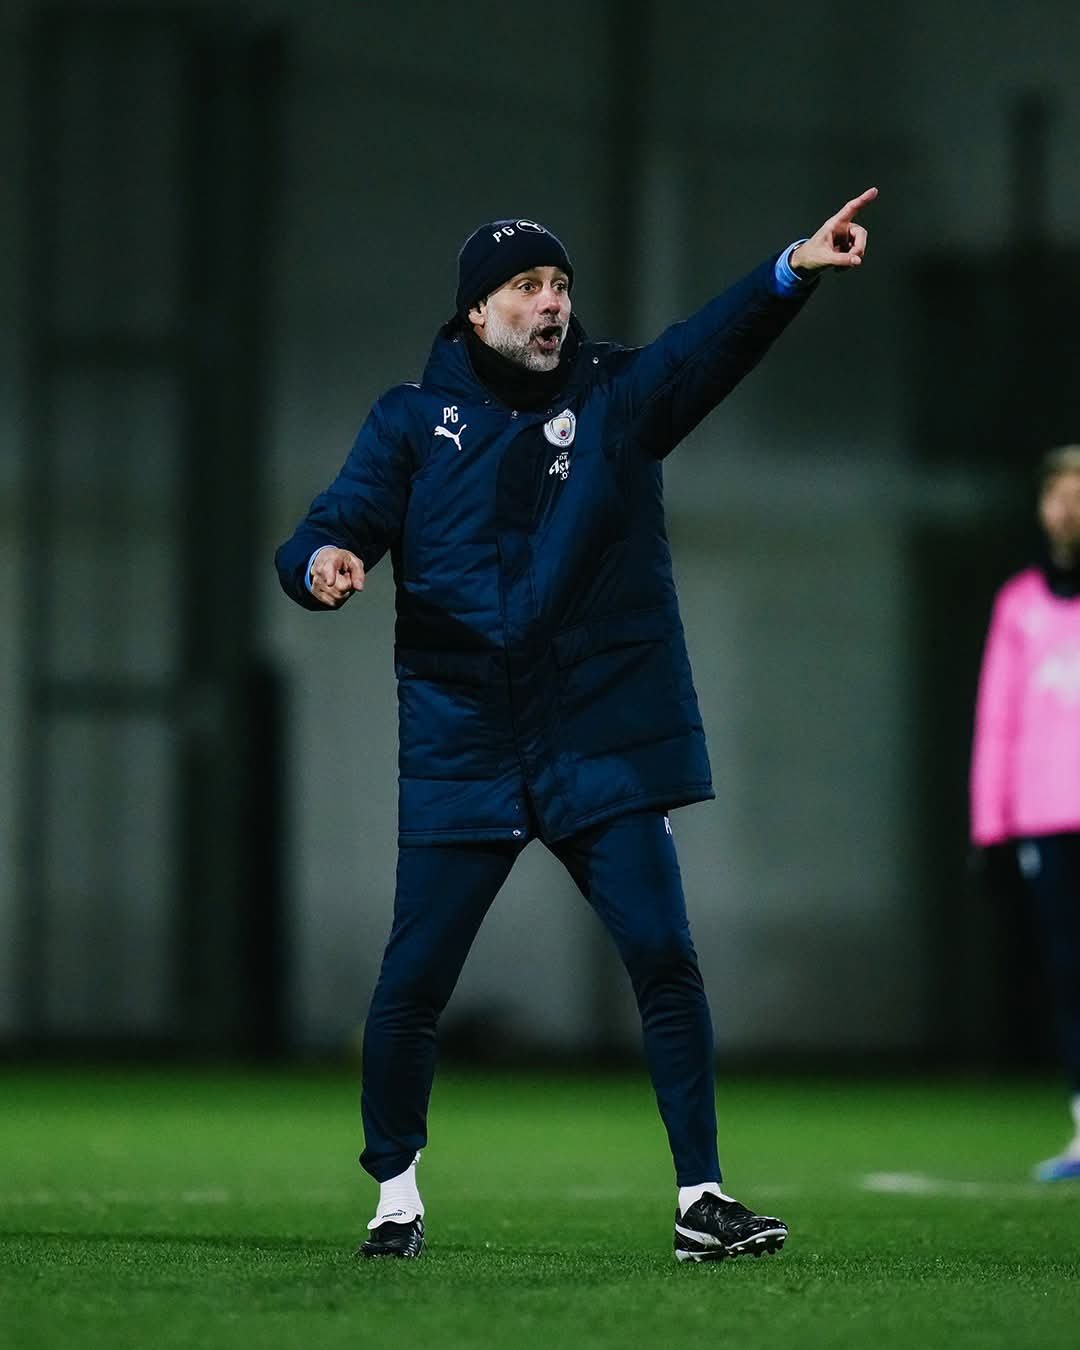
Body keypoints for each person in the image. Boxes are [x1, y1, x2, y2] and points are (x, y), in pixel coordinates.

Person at [275, 189, 877, 1259]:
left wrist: (792, 269)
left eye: (559, 284)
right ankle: (396, 1199)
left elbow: (706, 347)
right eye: (527, 286)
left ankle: (701, 1199)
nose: (552, 302)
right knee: (412, 984)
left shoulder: (616, 395)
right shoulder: (410, 422)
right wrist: (321, 563)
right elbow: (330, 525)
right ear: (477, 312)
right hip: (467, 742)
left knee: (664, 958)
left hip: (598, 737)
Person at [971, 444, 1080, 1181]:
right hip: (1046, 816)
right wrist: (992, 826)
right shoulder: (1020, 604)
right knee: (1069, 974)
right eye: (1057, 495)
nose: (1068, 510)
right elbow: (997, 719)